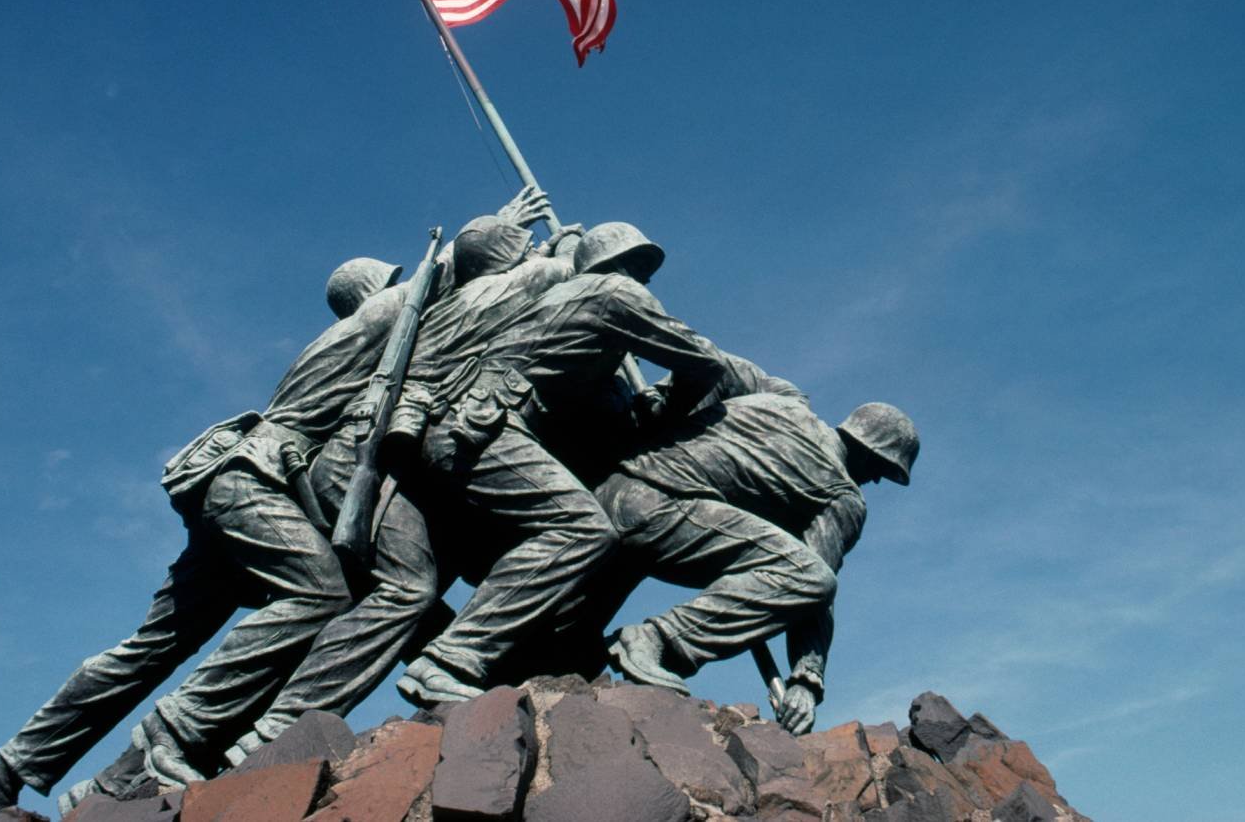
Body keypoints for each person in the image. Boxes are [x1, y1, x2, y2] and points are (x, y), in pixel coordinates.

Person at [0, 191, 549, 813]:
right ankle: (174, 735)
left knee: (156, 643)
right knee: (319, 593)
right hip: (250, 480)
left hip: (232, 480)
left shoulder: (350, 331)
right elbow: (455, 277)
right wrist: (501, 232)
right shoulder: (385, 315)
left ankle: (16, 763)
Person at [221, 213, 582, 759]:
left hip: (337, 461)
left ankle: (271, 727)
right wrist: (558, 241)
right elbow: (548, 271)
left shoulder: (388, 323)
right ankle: (280, 730)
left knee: (414, 600)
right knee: (407, 590)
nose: (398, 286)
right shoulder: (391, 312)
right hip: (350, 457)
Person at [396, 222, 734, 706]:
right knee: (583, 529)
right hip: (481, 429)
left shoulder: (567, 303)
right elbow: (704, 362)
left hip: (468, 426)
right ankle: (450, 659)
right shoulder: (616, 292)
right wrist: (668, 414)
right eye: (639, 265)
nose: (645, 279)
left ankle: (513, 663)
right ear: (616, 265)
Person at [538, 392, 919, 735]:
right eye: (883, 470)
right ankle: (659, 640)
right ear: (871, 453)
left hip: (607, 496)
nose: (877, 481)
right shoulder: (842, 494)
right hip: (660, 513)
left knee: (557, 653)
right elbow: (815, 588)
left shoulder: (781, 401)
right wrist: (807, 680)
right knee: (809, 576)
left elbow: (713, 372)